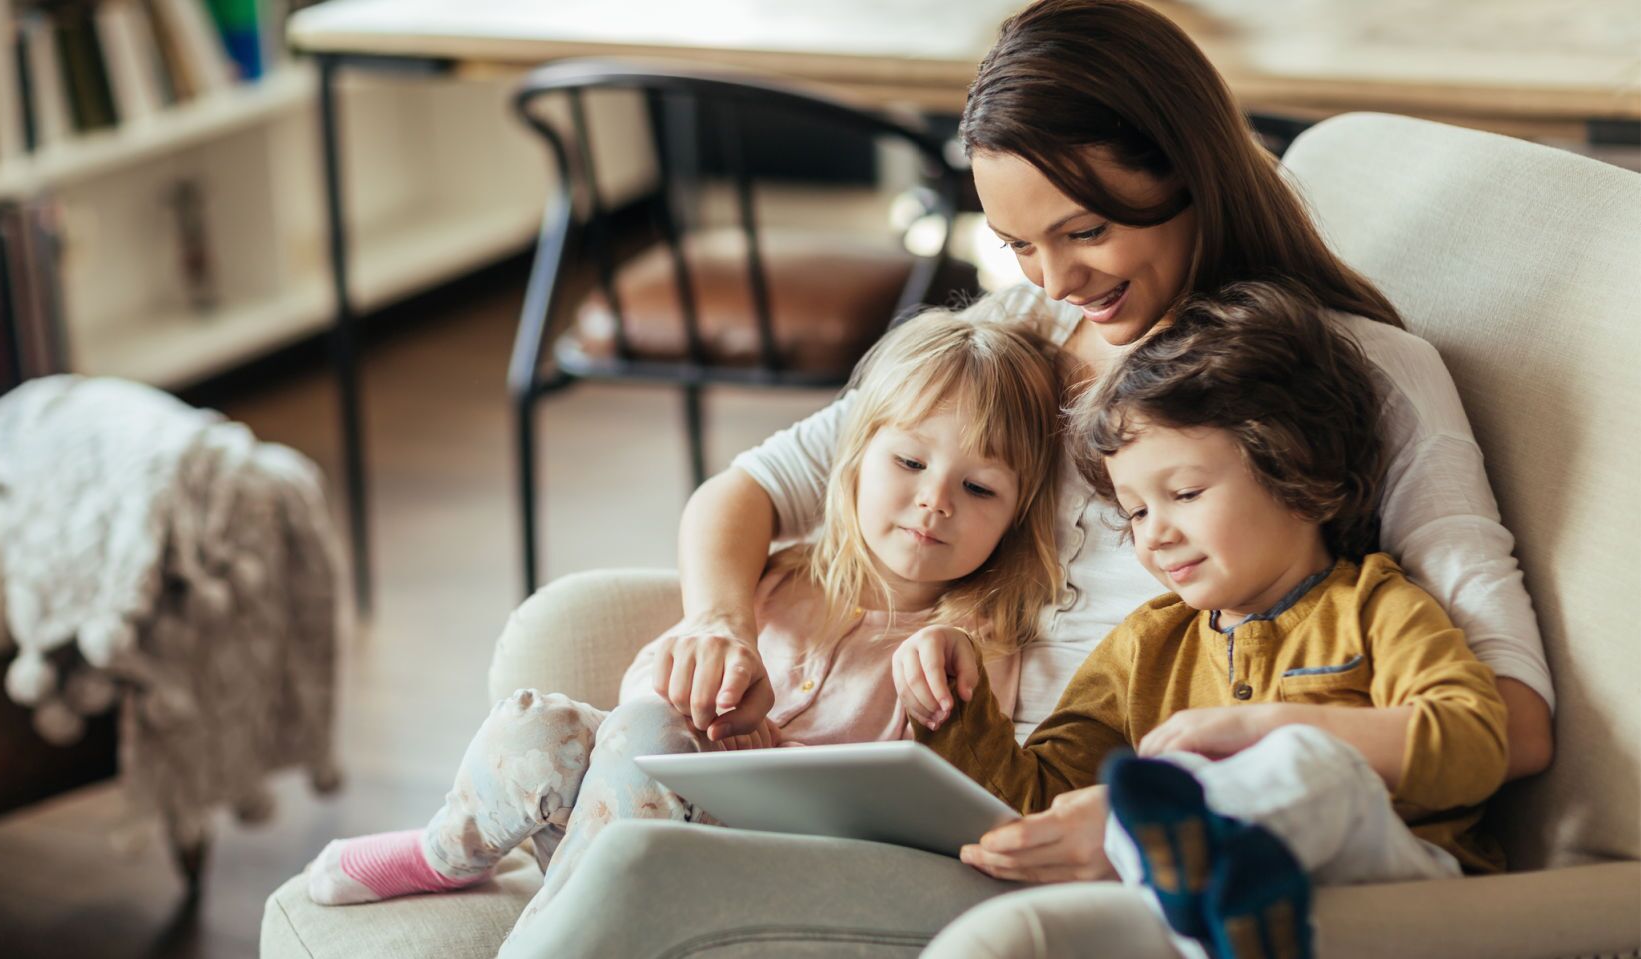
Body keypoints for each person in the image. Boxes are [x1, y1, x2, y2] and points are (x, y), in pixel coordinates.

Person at [506, 0, 1554, 954]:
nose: (1056, 283)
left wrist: (1191, 791)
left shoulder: (1363, 373)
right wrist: (720, 623)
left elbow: (1513, 721)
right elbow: (746, 491)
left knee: (644, 864)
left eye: (1085, 231)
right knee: (633, 788)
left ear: (1192, 171)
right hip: (952, 791)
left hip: (1106, 841)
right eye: (1016, 244)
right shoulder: (1016, 339)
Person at [300, 305, 1069, 947]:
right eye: (908, 463)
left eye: (976, 487)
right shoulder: (780, 573)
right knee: (544, 728)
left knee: (646, 744)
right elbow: (651, 691)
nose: (935, 500)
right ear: (855, 458)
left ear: (1014, 519)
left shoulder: (968, 647)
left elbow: (921, 805)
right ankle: (446, 852)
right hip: (641, 801)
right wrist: (694, 697)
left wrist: (772, 751)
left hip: (760, 862)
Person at [907, 281, 1508, 959]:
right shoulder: (1146, 644)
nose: (1154, 534)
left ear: (1294, 468)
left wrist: (1264, 725)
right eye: (1134, 511)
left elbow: (1476, 742)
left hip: (1398, 898)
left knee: (1306, 760)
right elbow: (1041, 802)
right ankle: (1213, 905)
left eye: (1184, 493)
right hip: (1191, 919)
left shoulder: (1375, 606)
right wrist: (955, 704)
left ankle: (1208, 876)